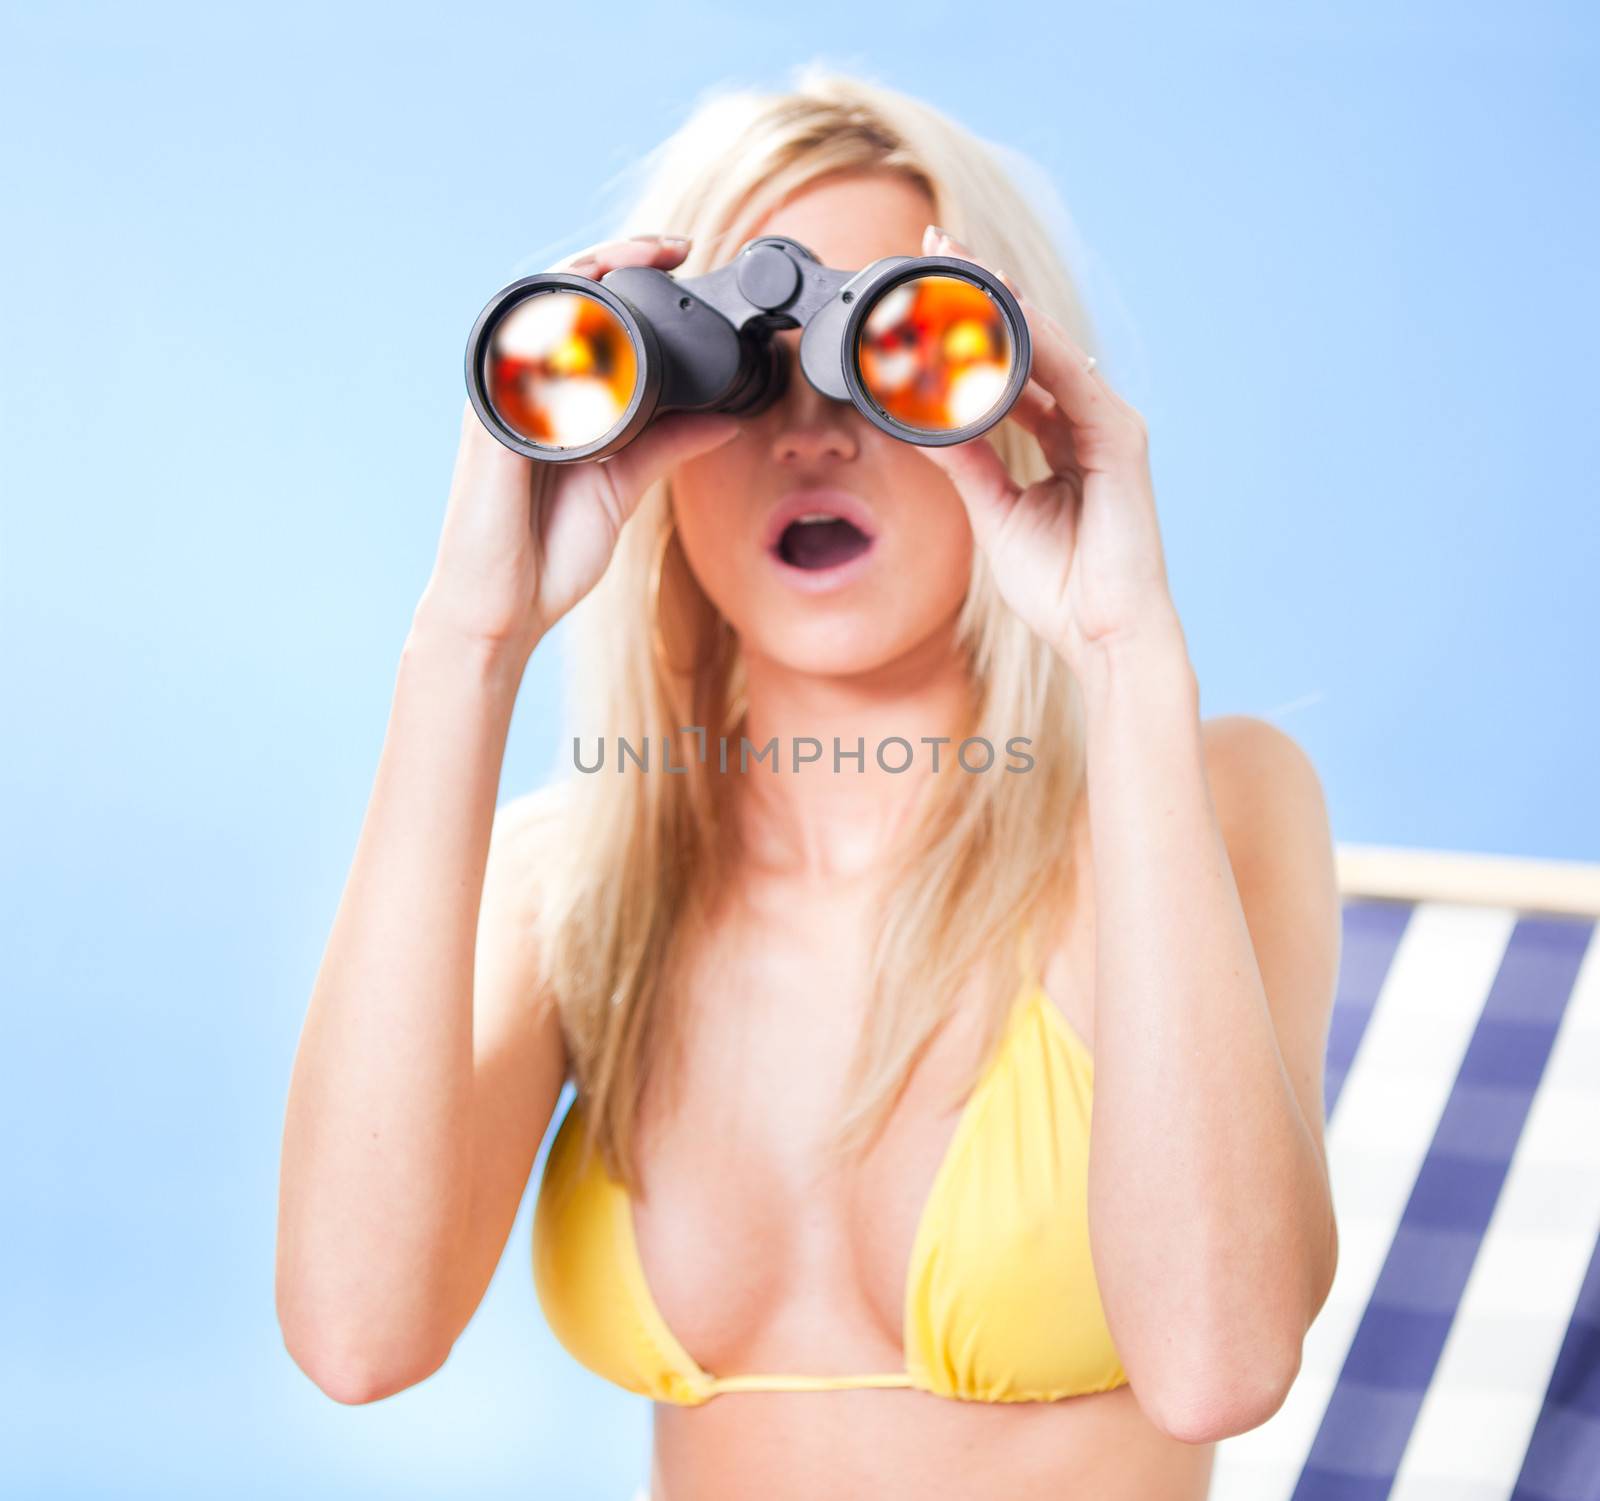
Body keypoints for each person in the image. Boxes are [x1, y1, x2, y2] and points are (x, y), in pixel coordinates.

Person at [275, 65, 1342, 1501]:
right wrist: (468, 643)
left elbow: (1222, 1358)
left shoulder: (1201, 800)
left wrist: (1123, 656)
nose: (809, 432)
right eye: (738, 367)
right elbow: (355, 1332)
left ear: (1009, 388)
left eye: (878, 352)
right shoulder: (577, 886)